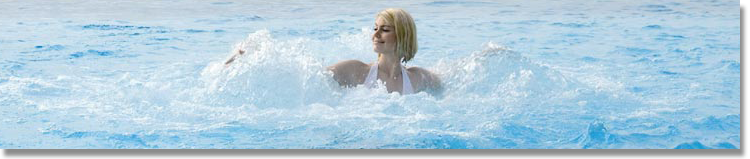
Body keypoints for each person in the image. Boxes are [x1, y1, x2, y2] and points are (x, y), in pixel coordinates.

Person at [327, 8, 441, 95]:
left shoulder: (418, 78)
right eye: (375, 28)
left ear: (403, 36)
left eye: (385, 30)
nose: (375, 35)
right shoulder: (355, 71)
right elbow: (316, 78)